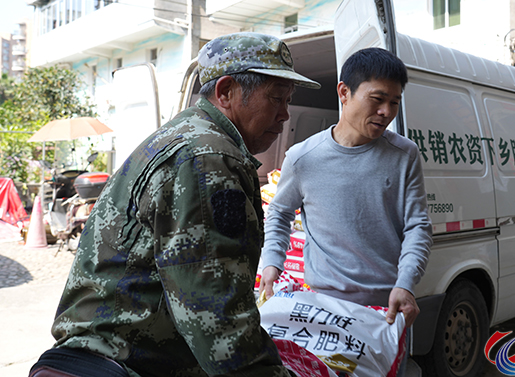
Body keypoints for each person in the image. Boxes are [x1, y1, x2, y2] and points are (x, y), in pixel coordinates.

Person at [29, 32, 320, 377]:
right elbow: (216, 318)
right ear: (226, 92)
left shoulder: (184, 135)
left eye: (288, 101)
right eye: (276, 98)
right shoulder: (207, 157)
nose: (285, 115)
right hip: (124, 363)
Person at [260, 47, 433, 330]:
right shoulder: (303, 158)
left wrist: (405, 284)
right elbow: (279, 213)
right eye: (377, 99)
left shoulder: (405, 155)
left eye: (394, 102)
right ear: (344, 92)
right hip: (322, 306)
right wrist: (272, 262)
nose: (386, 112)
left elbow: (418, 226)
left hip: (387, 307)